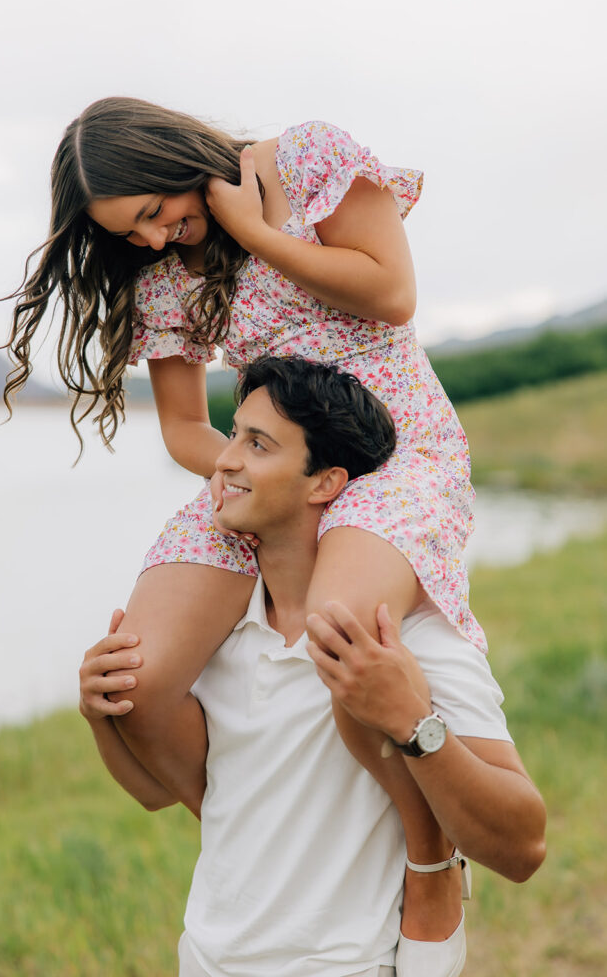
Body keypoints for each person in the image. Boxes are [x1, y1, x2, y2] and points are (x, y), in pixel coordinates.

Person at [3, 97, 489, 954]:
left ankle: (427, 862)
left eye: (154, 212)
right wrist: (258, 476)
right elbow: (189, 432)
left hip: (394, 455)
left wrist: (254, 232)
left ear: (171, 158)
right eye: (130, 234)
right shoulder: (160, 278)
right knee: (137, 686)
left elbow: (392, 294)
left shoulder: (305, 161)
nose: (153, 240)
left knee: (342, 638)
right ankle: (251, 839)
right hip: (264, 468)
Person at [79, 357, 546, 977]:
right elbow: (154, 794)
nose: (224, 460)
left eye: (257, 444)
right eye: (234, 433)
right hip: (206, 959)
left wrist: (413, 722)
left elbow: (523, 847)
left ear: (325, 483)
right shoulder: (218, 639)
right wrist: (100, 714)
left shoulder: (406, 639)